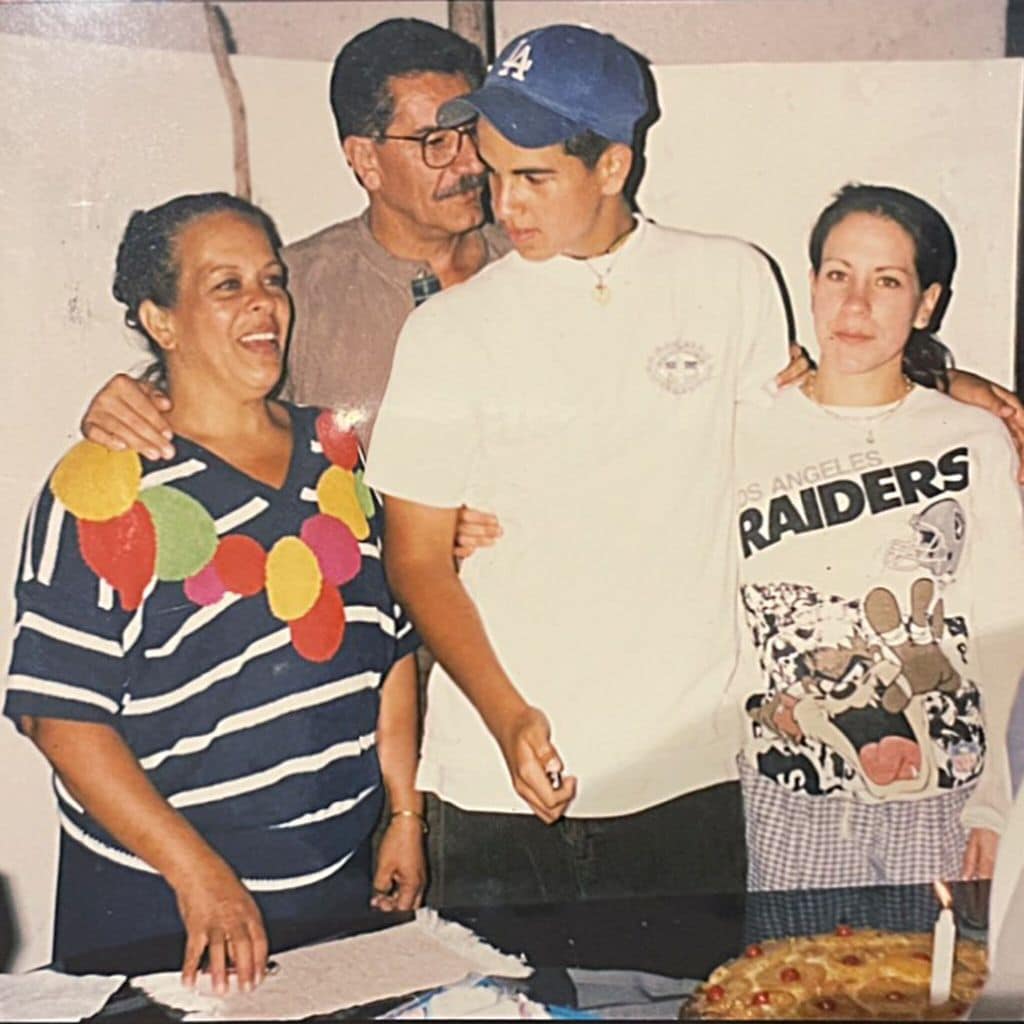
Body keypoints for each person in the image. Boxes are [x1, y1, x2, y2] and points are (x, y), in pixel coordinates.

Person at [364, 25, 1024, 909]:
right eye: (493, 170)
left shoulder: (730, 282)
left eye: (534, 177)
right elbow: (414, 556)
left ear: (612, 166)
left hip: (691, 777)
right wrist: (505, 714)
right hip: (497, 776)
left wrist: (947, 382)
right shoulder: (446, 332)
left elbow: (811, 408)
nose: (504, 204)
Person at [3, 193, 424, 991]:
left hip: (331, 890)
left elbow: (389, 644)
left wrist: (404, 812)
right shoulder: (104, 485)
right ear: (161, 318)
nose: (263, 301)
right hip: (165, 908)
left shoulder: (334, 449)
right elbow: (58, 716)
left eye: (270, 279)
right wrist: (199, 877)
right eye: (225, 285)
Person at [731, 185, 1024, 892]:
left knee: (932, 996)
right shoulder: (740, 428)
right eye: (838, 275)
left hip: (943, 796)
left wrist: (995, 800)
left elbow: (1008, 629)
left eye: (886, 282)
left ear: (926, 304)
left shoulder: (972, 438)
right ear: (811, 284)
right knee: (797, 991)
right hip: (786, 792)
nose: (855, 306)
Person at [78, 18, 510, 460]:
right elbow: (202, 409)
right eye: (435, 142)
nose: (472, 164)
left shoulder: (538, 262)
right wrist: (133, 405)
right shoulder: (290, 290)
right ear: (365, 159)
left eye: (473, 133)